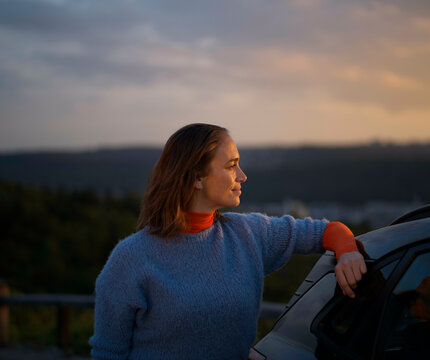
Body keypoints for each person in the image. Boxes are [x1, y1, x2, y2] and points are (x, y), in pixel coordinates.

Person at [89, 123, 367, 360]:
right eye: (231, 165)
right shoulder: (131, 258)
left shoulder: (249, 234)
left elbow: (327, 231)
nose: (242, 176)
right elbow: (108, 353)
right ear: (197, 177)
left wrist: (348, 252)